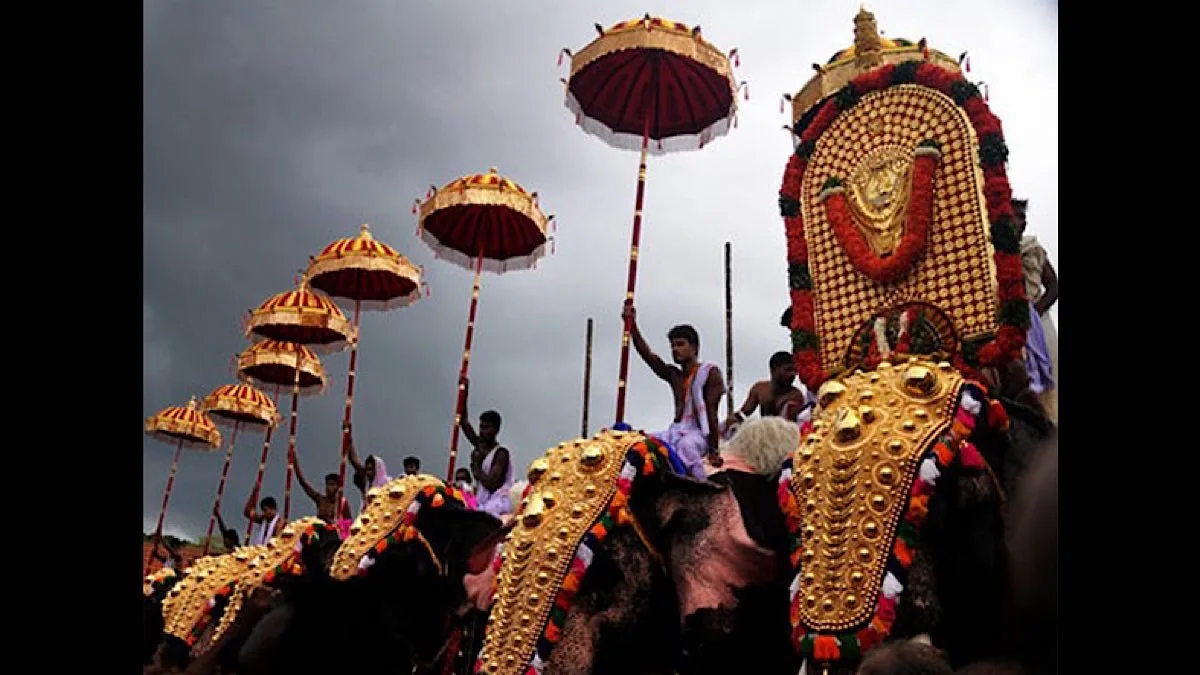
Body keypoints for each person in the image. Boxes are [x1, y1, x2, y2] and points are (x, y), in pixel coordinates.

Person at [622, 304, 725, 477]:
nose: (675, 349)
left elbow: (711, 413)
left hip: (698, 435)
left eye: (680, 344)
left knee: (687, 447)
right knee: (639, 443)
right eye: (672, 345)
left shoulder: (709, 373)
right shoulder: (674, 375)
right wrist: (632, 326)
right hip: (674, 431)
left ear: (695, 348)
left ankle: (701, 488)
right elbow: (649, 356)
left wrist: (714, 450)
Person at [1013, 198, 1059, 425]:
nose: (1022, 221)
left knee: (1050, 369)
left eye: (1023, 216)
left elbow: (1054, 285)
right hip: (1011, 323)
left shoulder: (1033, 248)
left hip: (1038, 321)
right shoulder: (993, 250)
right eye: (1016, 215)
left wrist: (1035, 312)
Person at [721, 351, 813, 437]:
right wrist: (728, 424)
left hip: (784, 439)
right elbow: (743, 413)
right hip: (762, 438)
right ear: (774, 370)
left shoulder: (795, 395)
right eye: (788, 370)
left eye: (794, 371)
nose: (792, 375)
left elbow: (792, 424)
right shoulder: (759, 389)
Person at [458, 376, 514, 519]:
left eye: (487, 428)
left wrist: (475, 466)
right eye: (481, 427)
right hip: (482, 502)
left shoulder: (501, 453)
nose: (482, 431)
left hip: (498, 504)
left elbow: (491, 483)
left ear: (496, 430)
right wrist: (464, 391)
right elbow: (463, 422)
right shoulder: (480, 445)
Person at [291, 448, 353, 538]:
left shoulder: (343, 503)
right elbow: (303, 483)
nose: (328, 488)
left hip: (335, 539)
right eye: (327, 484)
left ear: (338, 487)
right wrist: (295, 463)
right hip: (320, 537)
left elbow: (348, 525)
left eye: (332, 485)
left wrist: (335, 525)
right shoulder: (320, 500)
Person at [345, 422, 391, 508]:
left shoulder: (388, 483)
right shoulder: (366, 482)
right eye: (367, 466)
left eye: (372, 466)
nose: (369, 467)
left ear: (378, 468)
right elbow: (352, 459)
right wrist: (348, 435)